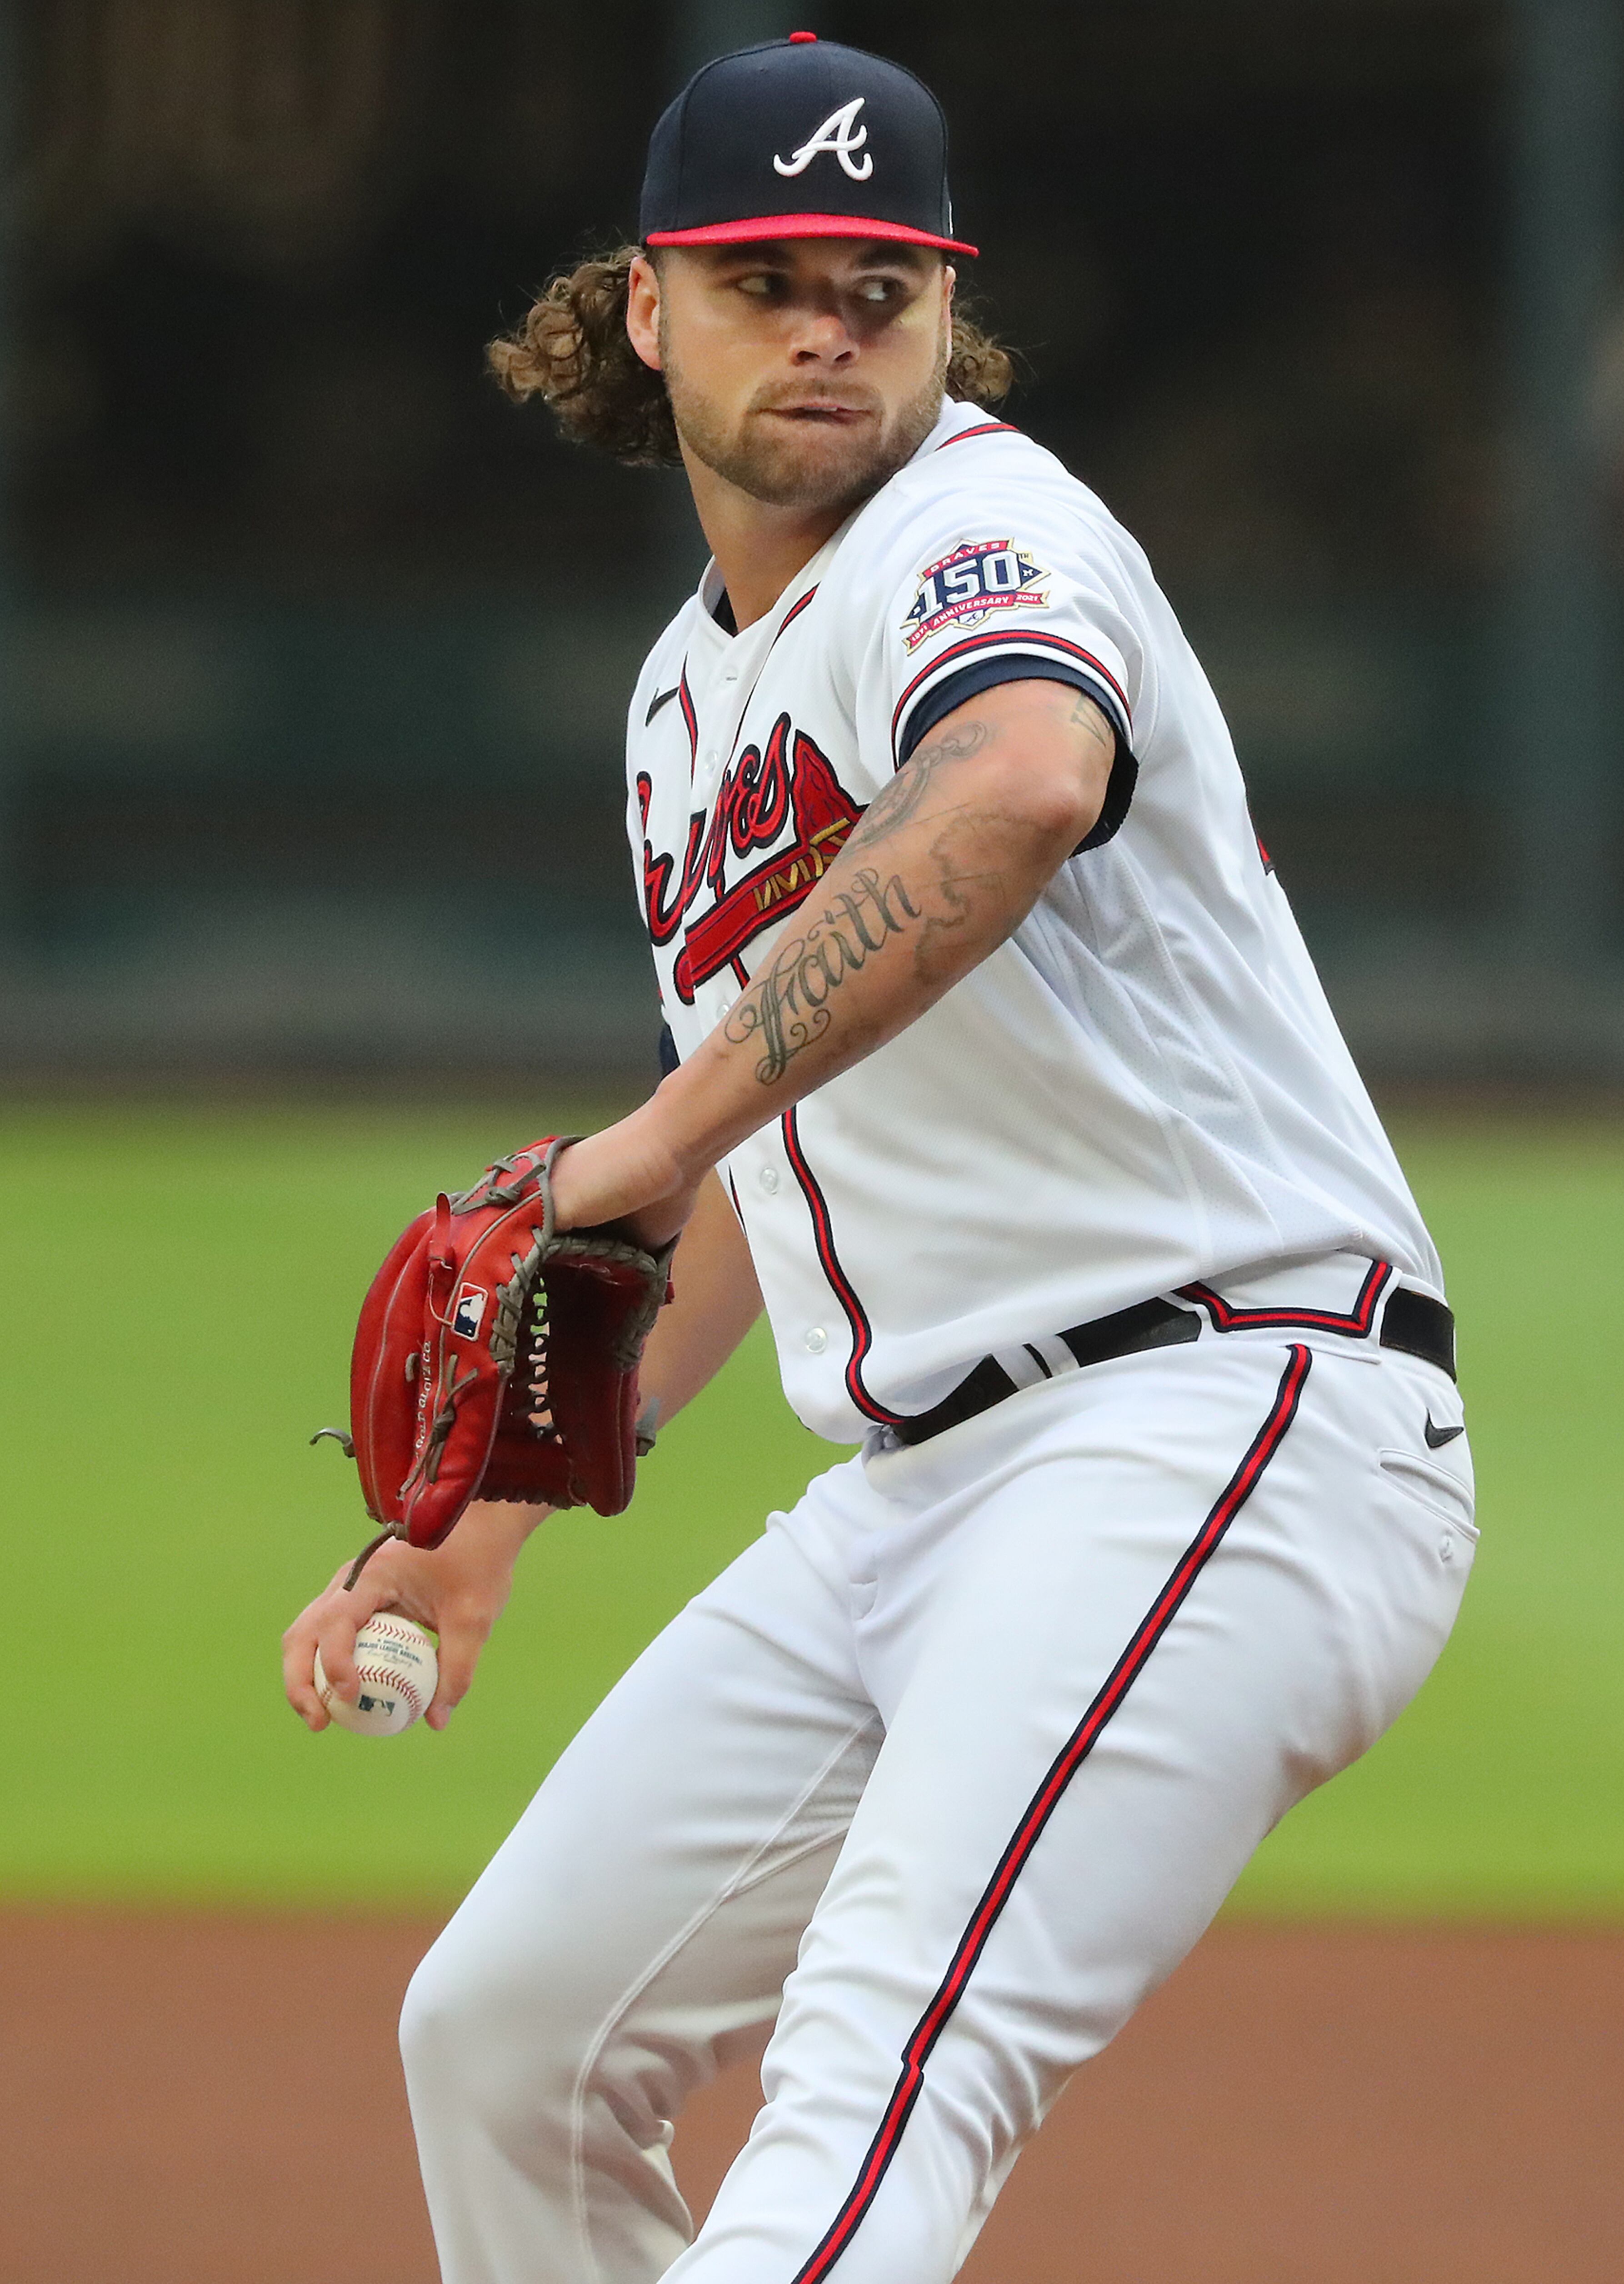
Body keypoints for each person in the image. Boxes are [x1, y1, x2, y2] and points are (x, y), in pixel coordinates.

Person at [283, 34, 1476, 2284]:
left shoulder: (983, 530)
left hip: (1222, 1419)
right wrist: (482, 1529)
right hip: (922, 1489)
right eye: (766, 280)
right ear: (648, 308)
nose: (829, 327)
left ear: (948, 316)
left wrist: (632, 1139)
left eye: (880, 283)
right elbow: (761, 1147)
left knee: (874, 2092)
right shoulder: (679, 698)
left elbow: (1016, 786)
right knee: (508, 2036)